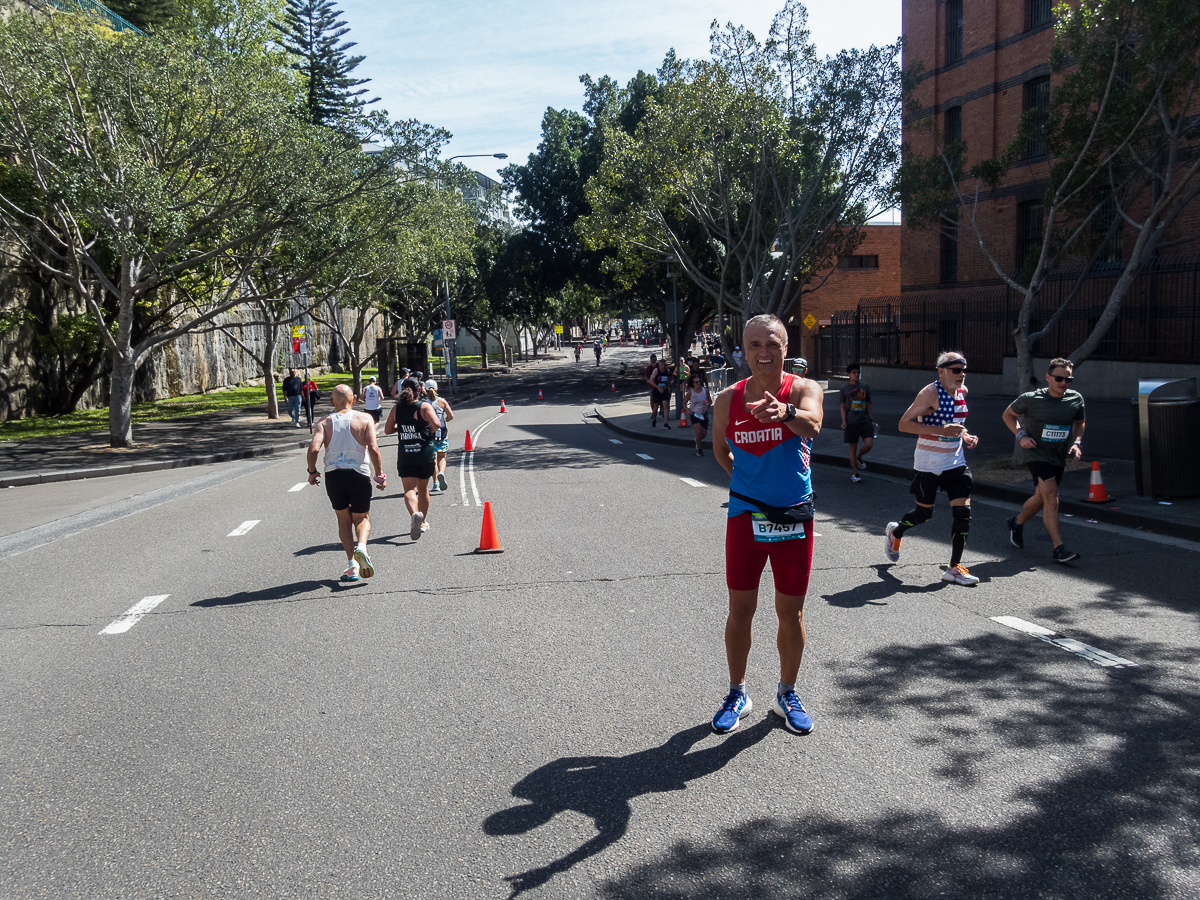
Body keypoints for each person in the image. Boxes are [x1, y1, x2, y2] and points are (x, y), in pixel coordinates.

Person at [710, 314, 824, 736]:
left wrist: (784, 412)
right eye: (755, 344)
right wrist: (744, 482)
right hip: (745, 515)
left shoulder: (804, 389)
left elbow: (813, 425)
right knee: (741, 609)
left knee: (790, 612)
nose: (764, 352)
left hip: (794, 515)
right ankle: (737, 692)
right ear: (744, 350)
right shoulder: (727, 400)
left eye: (772, 343)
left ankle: (786, 693)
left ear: (785, 347)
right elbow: (720, 449)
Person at [884, 351, 980, 586]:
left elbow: (959, 423)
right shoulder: (930, 393)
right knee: (923, 515)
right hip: (928, 465)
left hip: (955, 463)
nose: (961, 375)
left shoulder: (962, 392)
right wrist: (941, 431)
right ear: (941, 371)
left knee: (963, 515)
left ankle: (953, 568)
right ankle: (896, 533)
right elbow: (904, 424)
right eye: (956, 370)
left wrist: (966, 435)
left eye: (963, 370)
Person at [1002, 358, 1087, 562]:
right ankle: (1059, 548)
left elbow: (1080, 422)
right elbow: (1008, 415)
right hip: (1036, 452)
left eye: (1068, 379)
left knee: (1042, 498)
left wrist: (1076, 443)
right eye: (1059, 378)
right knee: (1051, 495)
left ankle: (1016, 522)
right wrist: (1021, 436)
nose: (1064, 383)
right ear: (1048, 377)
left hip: (1057, 455)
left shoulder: (1075, 399)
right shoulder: (1031, 398)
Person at [306, 385, 387, 583]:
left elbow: (314, 448)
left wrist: (312, 471)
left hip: (334, 475)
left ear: (332, 402)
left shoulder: (324, 422)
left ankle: (352, 565)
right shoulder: (365, 419)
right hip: (359, 474)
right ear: (355, 399)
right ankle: (362, 547)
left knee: (343, 520)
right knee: (362, 517)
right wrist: (379, 474)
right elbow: (374, 448)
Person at [384, 377, 442, 541]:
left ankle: (414, 514)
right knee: (423, 489)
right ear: (419, 390)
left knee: (409, 489)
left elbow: (388, 430)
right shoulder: (424, 406)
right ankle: (422, 521)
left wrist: (401, 427)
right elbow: (437, 424)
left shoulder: (397, 409)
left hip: (406, 454)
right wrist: (424, 429)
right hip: (424, 453)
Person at [839, 364, 875, 483]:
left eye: (858, 372)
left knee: (869, 444)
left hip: (864, 420)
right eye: (854, 373)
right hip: (851, 422)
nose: (856, 375)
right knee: (852, 448)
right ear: (848, 374)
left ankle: (859, 457)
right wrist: (844, 421)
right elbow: (843, 406)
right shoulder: (844, 389)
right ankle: (855, 474)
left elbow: (868, 404)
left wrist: (871, 419)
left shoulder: (865, 386)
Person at [425, 378, 454, 494]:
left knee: (433, 458)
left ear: (425, 390)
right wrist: (444, 420)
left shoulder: (423, 403)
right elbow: (451, 416)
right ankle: (441, 472)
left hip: (429, 432)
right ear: (437, 388)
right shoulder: (442, 401)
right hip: (441, 432)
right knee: (442, 457)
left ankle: (435, 482)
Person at [683, 373, 710, 456]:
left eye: (699, 381)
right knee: (698, 431)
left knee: (703, 434)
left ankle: (697, 440)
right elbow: (684, 403)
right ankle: (699, 449)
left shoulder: (705, 390)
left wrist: (707, 405)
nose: (699, 383)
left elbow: (710, 401)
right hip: (694, 414)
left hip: (703, 413)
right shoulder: (691, 392)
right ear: (693, 383)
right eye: (696, 382)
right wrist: (688, 410)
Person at [646, 358, 672, 428]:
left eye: (664, 365)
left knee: (665, 405)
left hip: (665, 390)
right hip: (657, 390)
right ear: (659, 366)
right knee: (656, 406)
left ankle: (665, 423)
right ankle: (654, 419)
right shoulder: (656, 371)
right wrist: (658, 387)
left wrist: (669, 386)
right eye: (661, 365)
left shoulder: (668, 371)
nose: (663, 366)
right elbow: (650, 380)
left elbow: (669, 379)